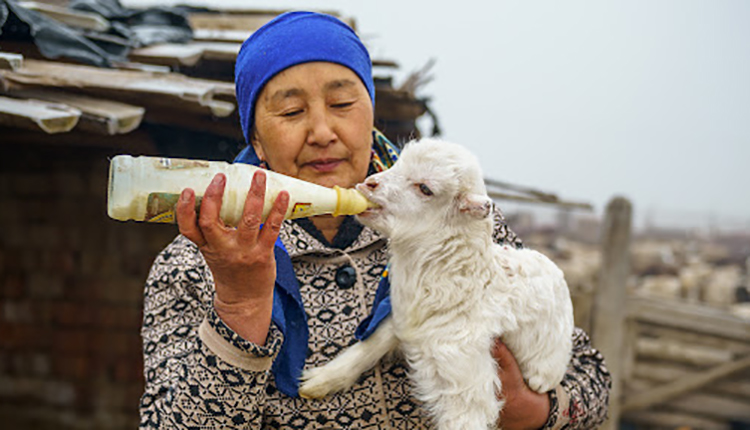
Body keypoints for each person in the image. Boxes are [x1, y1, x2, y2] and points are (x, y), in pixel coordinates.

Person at [139, 11, 611, 429]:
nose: (323, 132)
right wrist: (239, 307)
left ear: (371, 113)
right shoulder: (194, 264)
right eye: (290, 111)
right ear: (257, 141)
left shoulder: (454, 224)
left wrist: (533, 410)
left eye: (342, 104)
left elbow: (592, 380)